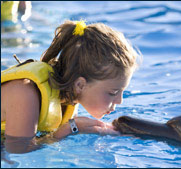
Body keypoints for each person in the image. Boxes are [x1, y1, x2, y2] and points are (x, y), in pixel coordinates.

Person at [1, 20, 141, 153]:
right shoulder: (24, 93)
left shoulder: (69, 98)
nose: (120, 101)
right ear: (80, 84)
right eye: (113, 92)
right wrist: (70, 129)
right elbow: (18, 151)